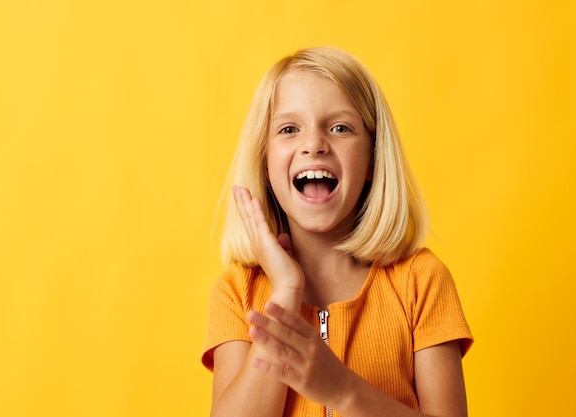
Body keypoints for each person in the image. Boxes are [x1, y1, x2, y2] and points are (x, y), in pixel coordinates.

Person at [202, 46, 473, 417]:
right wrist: (285, 291)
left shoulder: (421, 282)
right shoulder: (237, 292)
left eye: (340, 127)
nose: (314, 144)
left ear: (373, 161)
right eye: (289, 129)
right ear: (264, 162)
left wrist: (341, 388)